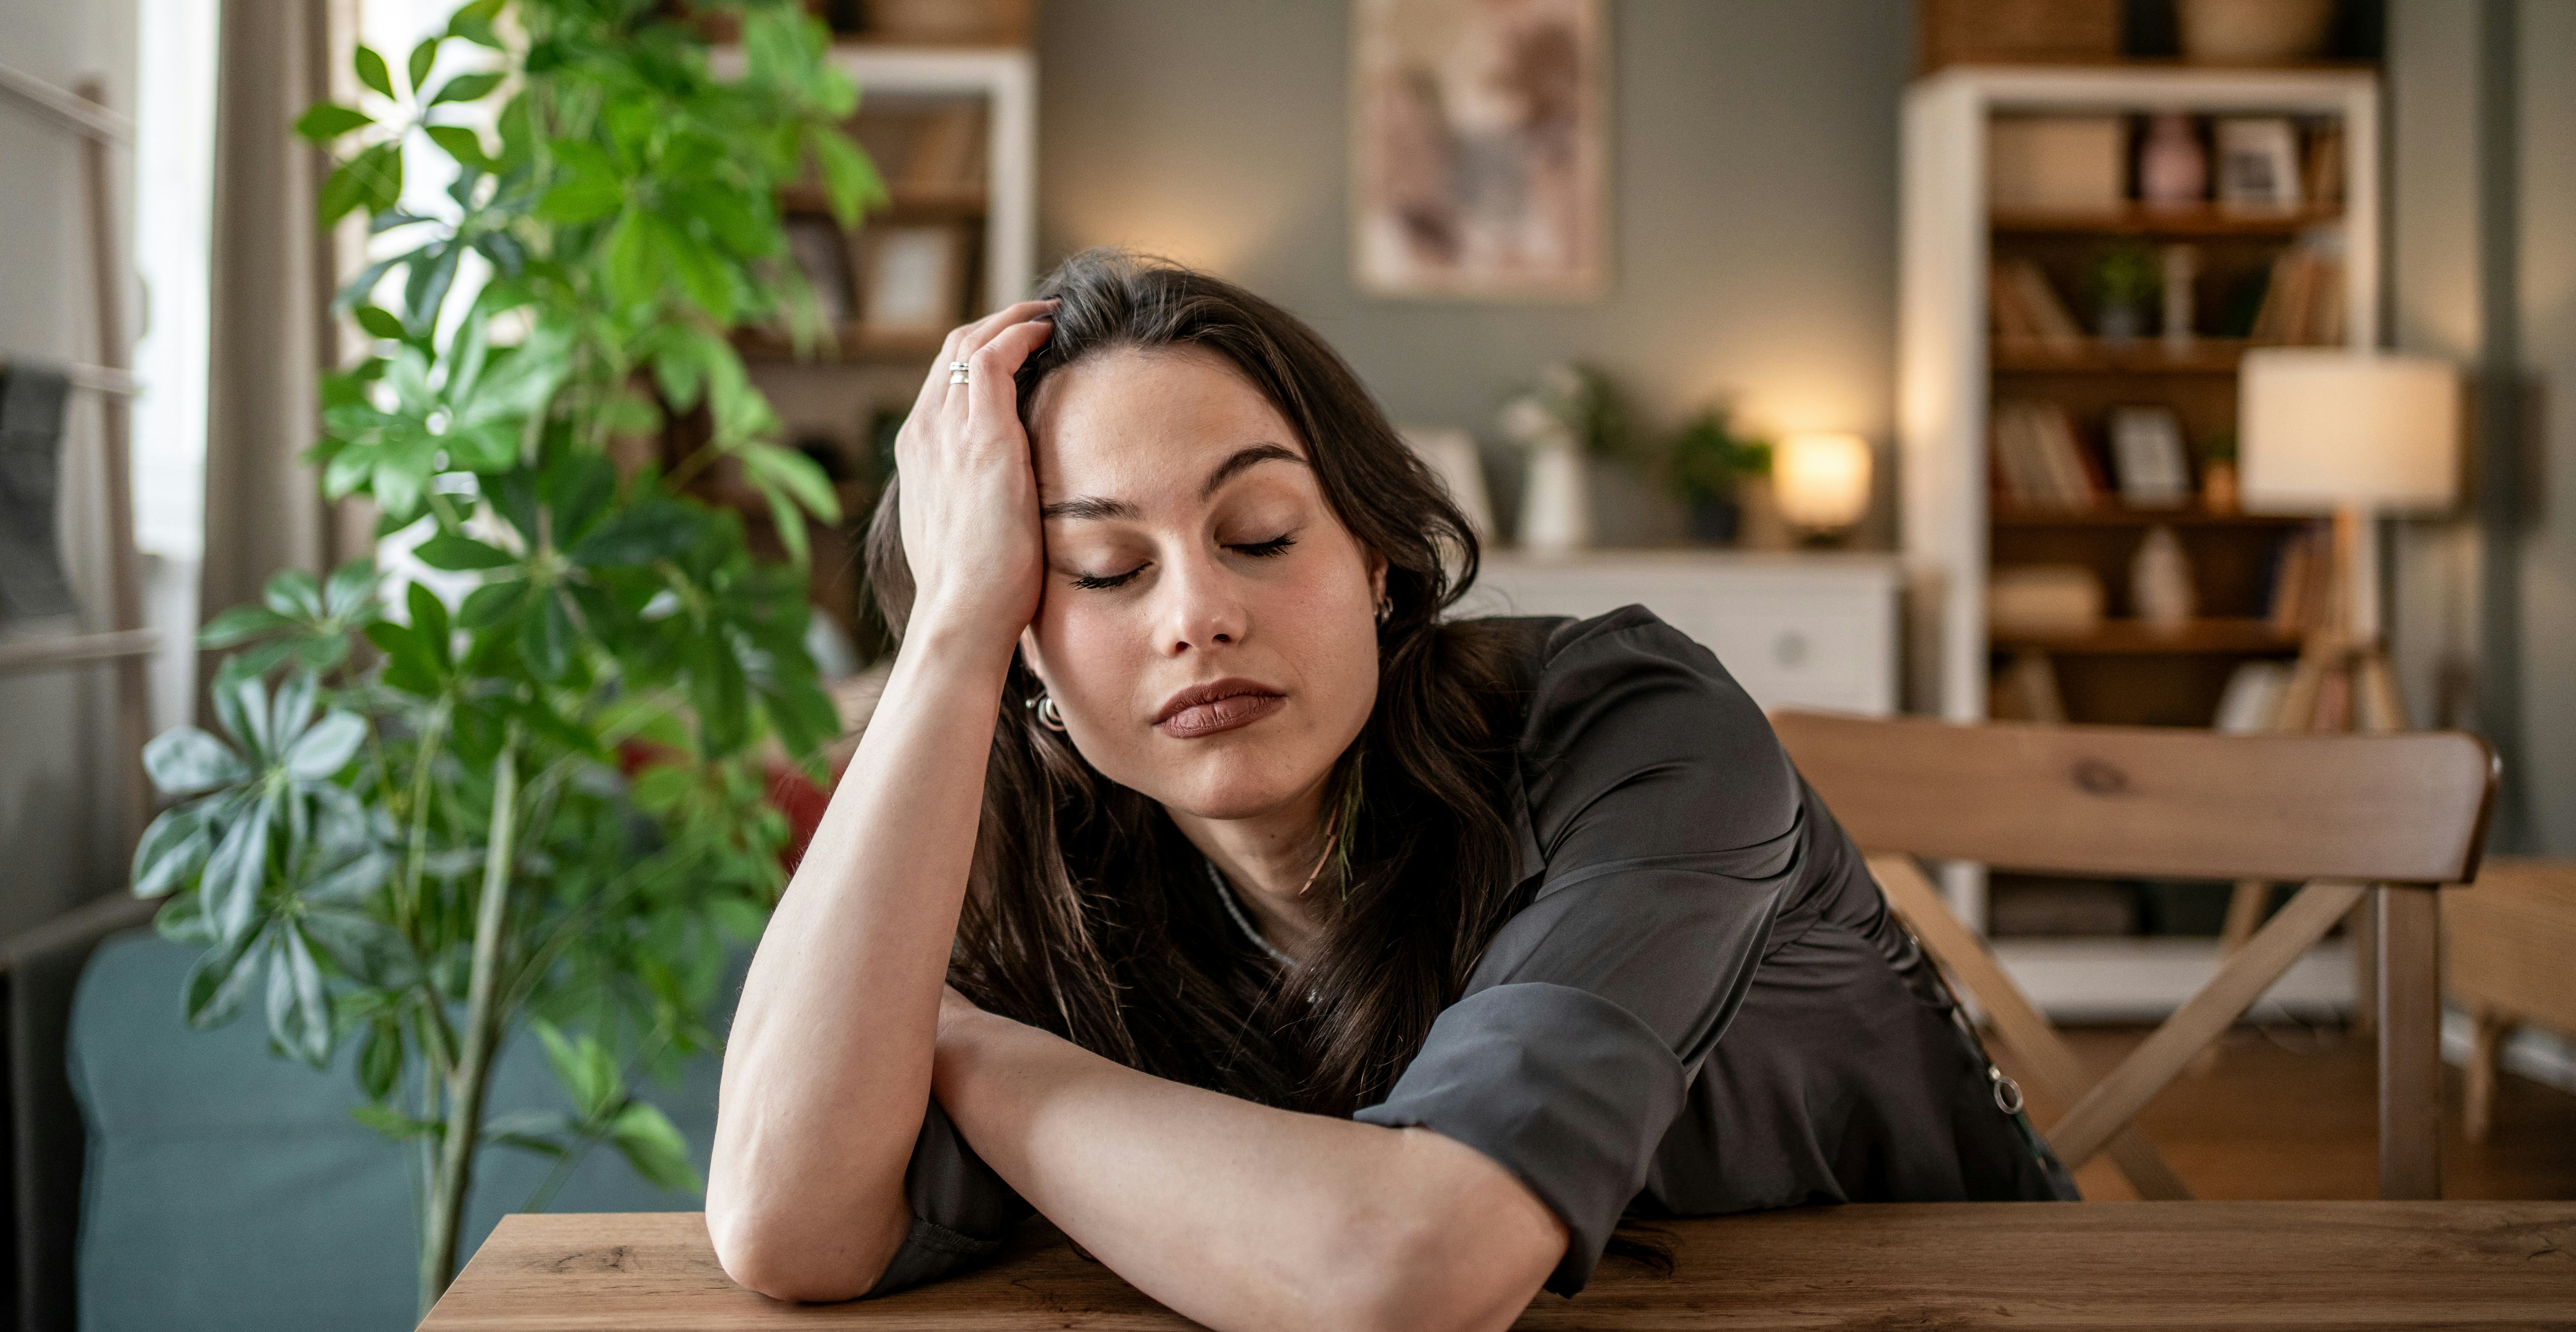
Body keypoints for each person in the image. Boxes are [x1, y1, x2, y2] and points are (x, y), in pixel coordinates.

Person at [707, 251, 2069, 1332]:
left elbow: (1406, 1277)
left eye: (1259, 535)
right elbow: (785, 1225)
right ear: (1029, 660)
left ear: (1376, 560)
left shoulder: (1633, 730)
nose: (1198, 615)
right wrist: (949, 633)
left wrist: (960, 1045)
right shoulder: (1059, 857)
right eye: (1102, 573)